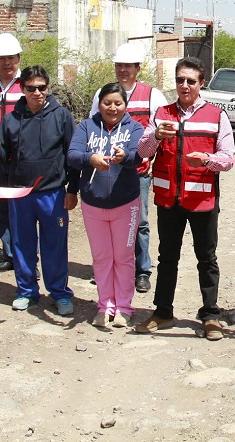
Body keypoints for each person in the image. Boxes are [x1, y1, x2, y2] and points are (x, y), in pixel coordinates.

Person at [134, 57, 235, 341]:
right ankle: (162, 312)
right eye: (180, 80)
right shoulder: (162, 113)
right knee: (167, 258)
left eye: (191, 81)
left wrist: (208, 160)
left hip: (202, 201)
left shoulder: (216, 115)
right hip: (168, 201)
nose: (185, 85)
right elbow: (142, 152)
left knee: (207, 259)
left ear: (201, 83)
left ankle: (210, 316)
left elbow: (228, 159)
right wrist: (155, 135)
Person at [0, 65, 80, 316]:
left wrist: (73, 189)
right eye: (31, 88)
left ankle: (59, 293)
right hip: (21, 194)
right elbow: (3, 159)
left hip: (53, 193)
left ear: (48, 88)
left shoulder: (61, 116)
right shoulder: (11, 120)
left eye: (42, 88)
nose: (37, 92)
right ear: (22, 89)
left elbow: (72, 156)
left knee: (55, 246)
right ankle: (27, 291)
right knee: (22, 245)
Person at [89, 42, 167, 294]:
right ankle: (110, 269)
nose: (123, 70)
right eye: (119, 65)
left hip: (137, 170)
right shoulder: (104, 92)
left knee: (139, 222)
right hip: (107, 172)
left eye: (127, 66)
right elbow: (92, 126)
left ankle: (142, 270)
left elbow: (161, 130)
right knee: (109, 222)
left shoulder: (152, 95)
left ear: (137, 68)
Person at [70, 83, 145, 329]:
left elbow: (139, 155)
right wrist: (90, 159)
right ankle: (105, 306)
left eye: (118, 103)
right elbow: (72, 155)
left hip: (126, 203)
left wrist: (125, 158)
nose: (112, 108)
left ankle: (124, 307)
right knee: (101, 258)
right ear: (99, 104)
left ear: (125, 105)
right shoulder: (86, 126)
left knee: (123, 257)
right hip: (93, 204)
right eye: (107, 103)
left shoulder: (135, 127)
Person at [0, 32, 24, 272]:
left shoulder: (27, 84)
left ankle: (26, 256)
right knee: (0, 207)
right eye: (2, 58)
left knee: (21, 209)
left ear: (19, 58)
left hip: (20, 158)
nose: (7, 62)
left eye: (11, 57)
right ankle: (10, 254)